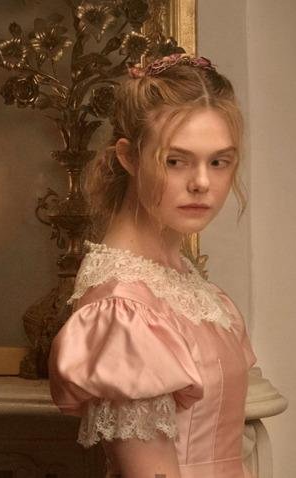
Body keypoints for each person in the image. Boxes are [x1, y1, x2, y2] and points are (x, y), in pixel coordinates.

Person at [49, 54, 256, 478]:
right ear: (129, 157)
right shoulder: (122, 308)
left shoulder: (182, 280)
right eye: (175, 161)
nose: (202, 182)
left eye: (219, 161)